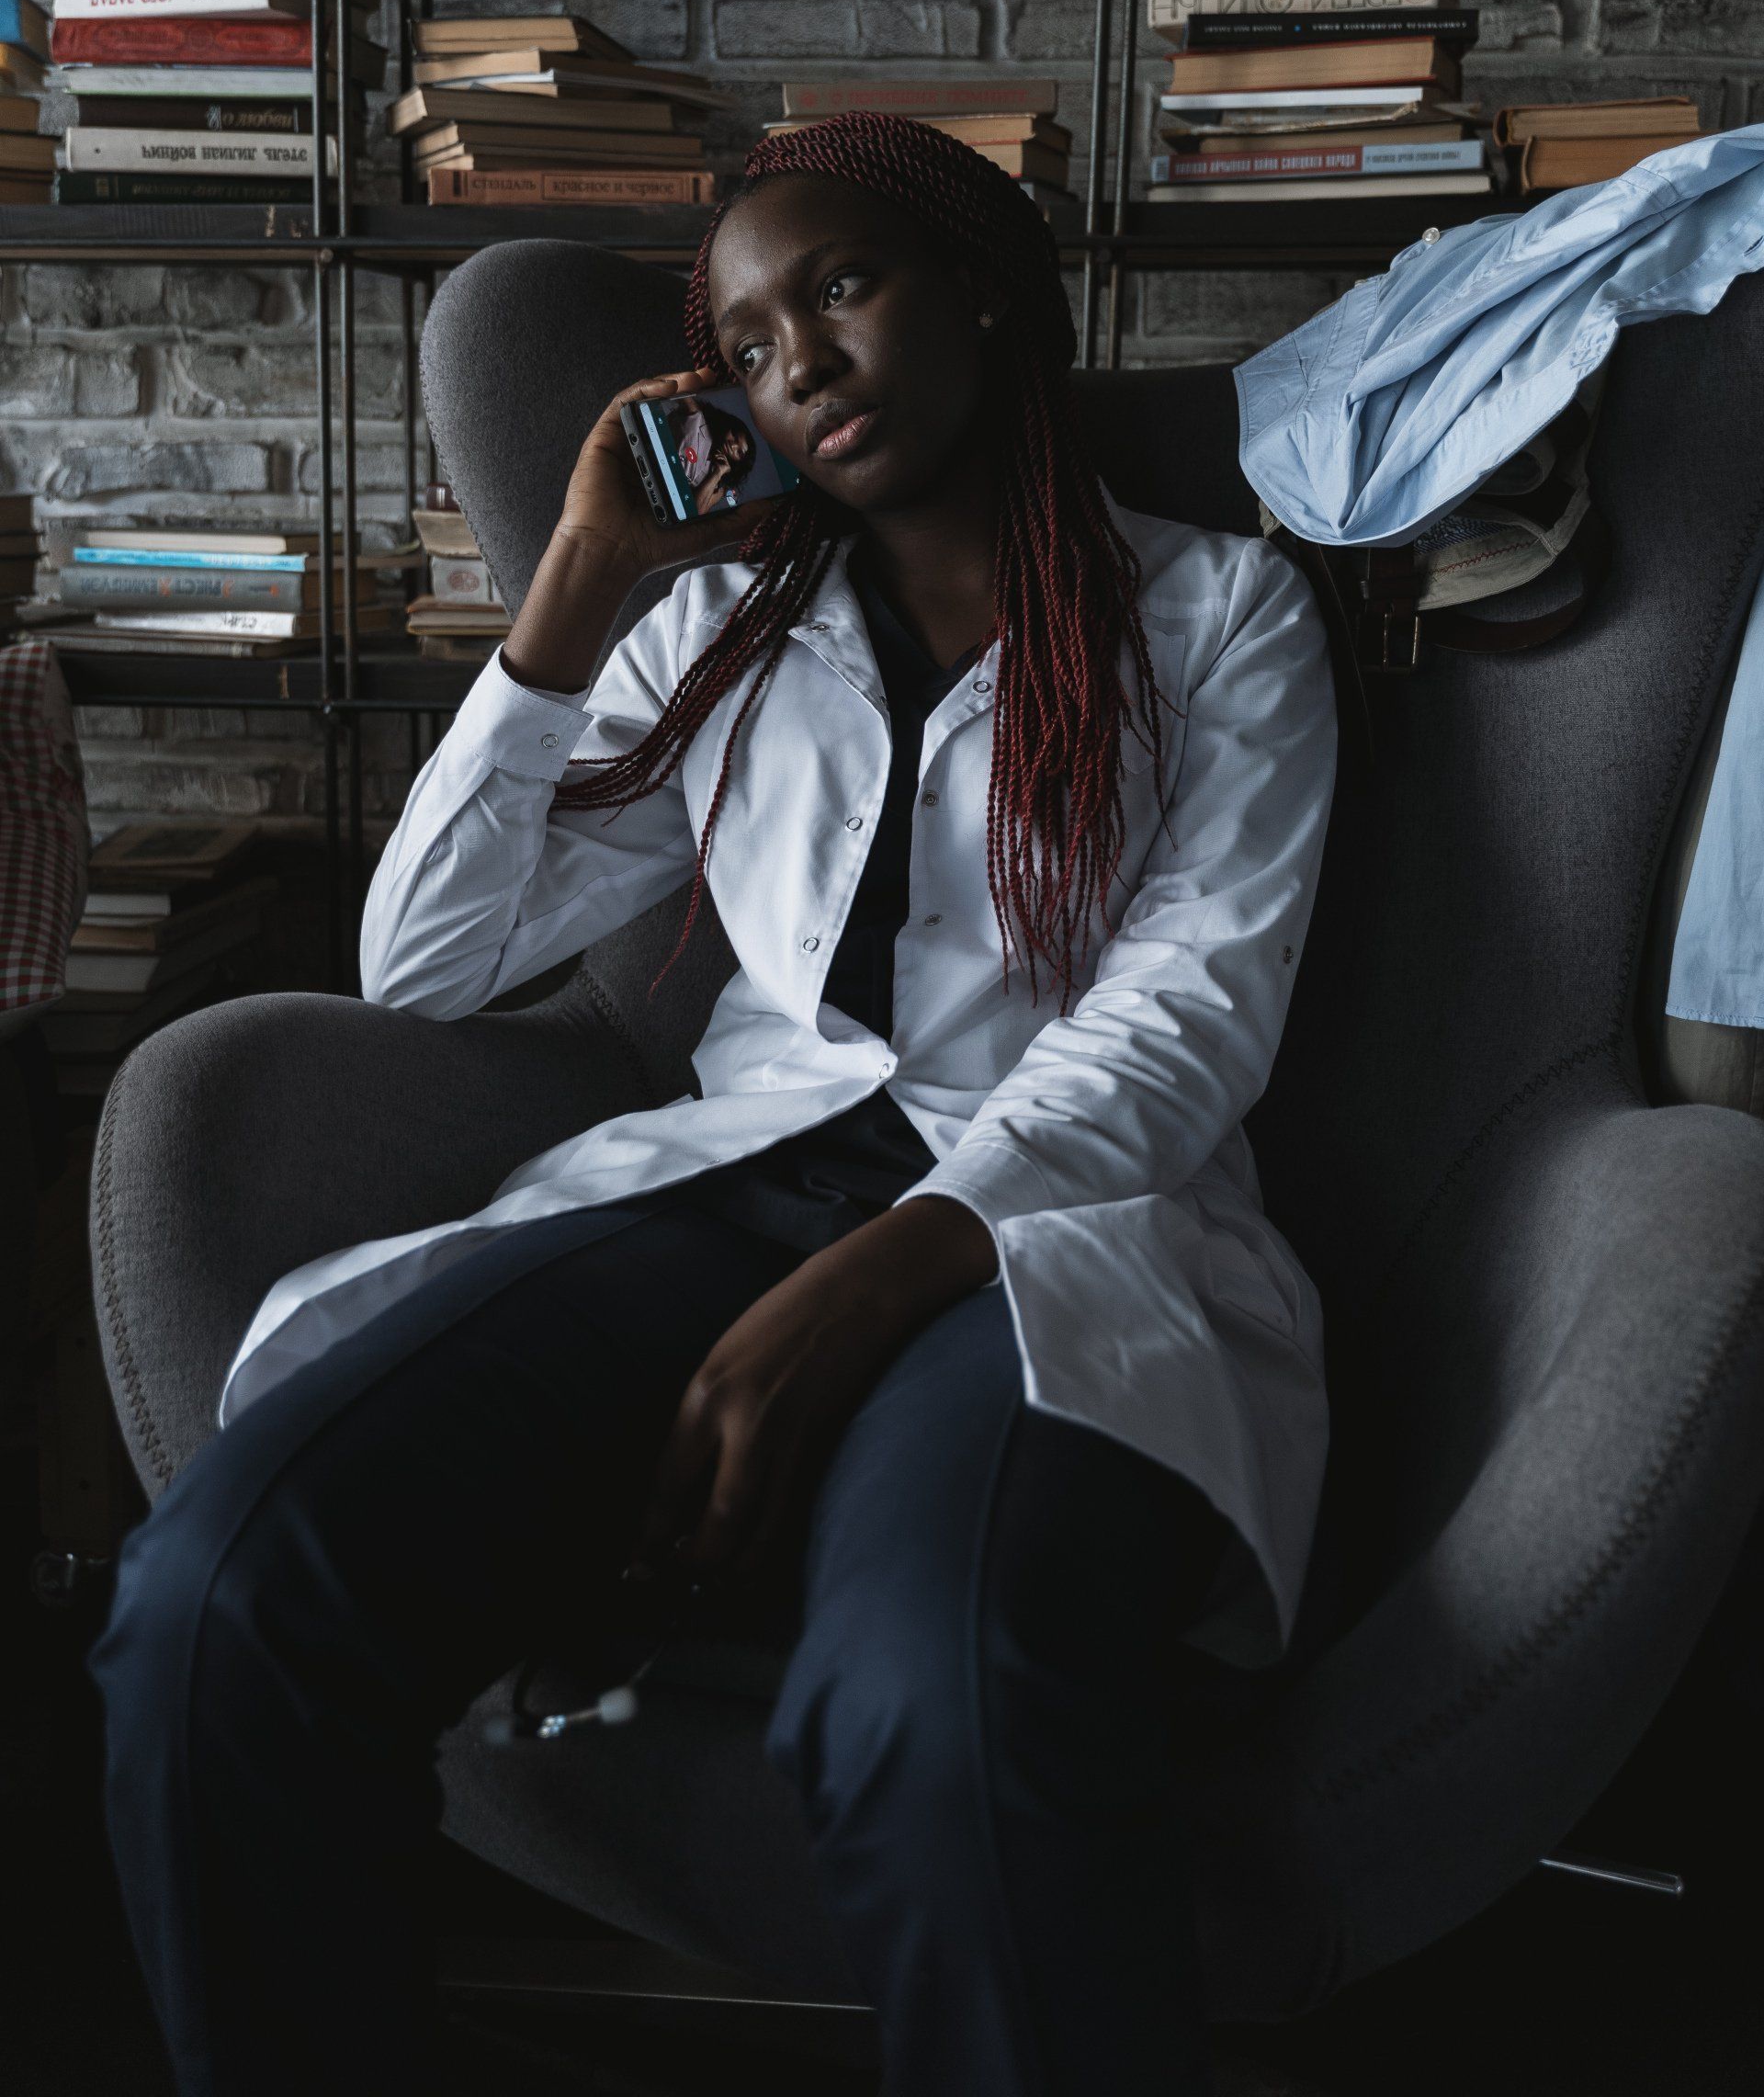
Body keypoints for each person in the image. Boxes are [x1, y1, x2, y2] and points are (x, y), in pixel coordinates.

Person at [92, 113, 1338, 2097]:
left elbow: (1189, 1013)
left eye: (841, 289)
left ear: (989, 290)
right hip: (725, 1191)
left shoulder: (1215, 619)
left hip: (1044, 1231)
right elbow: (425, 962)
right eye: (749, 346)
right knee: (213, 1602)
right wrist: (579, 581)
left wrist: (872, 1288)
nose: (801, 365)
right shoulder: (719, 635)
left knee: (933, 1699)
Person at [667, 390, 760, 515]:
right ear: (728, 426)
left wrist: (718, 473)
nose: (732, 445)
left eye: (739, 452)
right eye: (734, 436)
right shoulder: (697, 416)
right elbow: (674, 389)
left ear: (739, 463)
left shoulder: (719, 486)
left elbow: (696, 511)